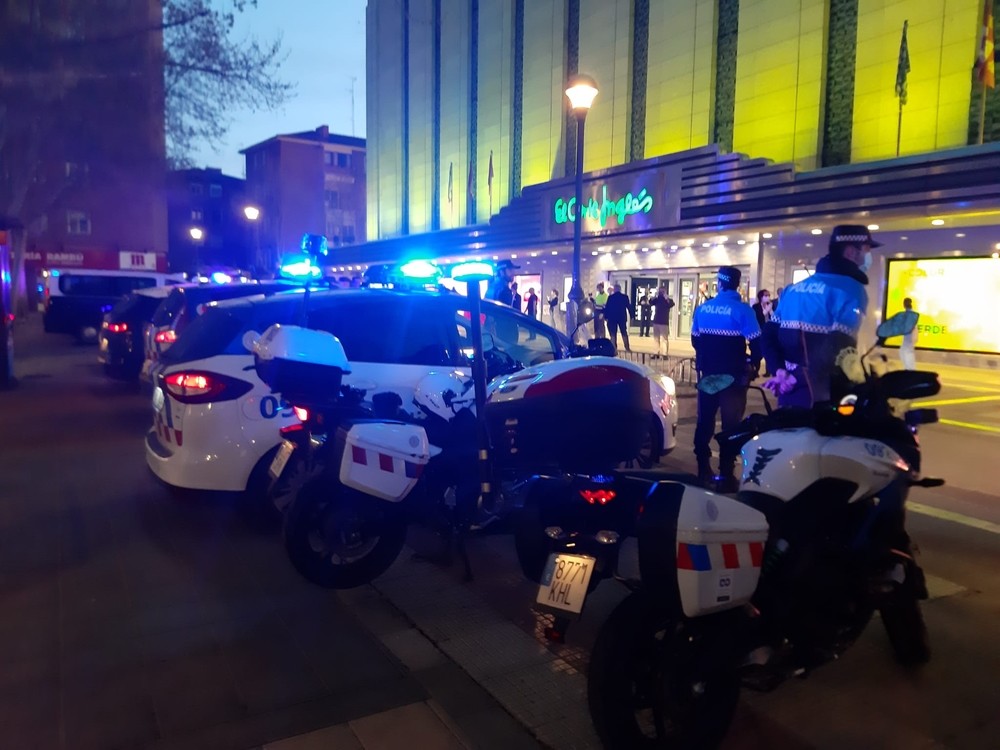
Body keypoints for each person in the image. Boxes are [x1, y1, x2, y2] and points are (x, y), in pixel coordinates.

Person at [762, 224, 878, 408]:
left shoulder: (793, 290)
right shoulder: (851, 290)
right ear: (850, 252)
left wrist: (779, 372)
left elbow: (768, 336)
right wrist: (796, 378)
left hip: (789, 392)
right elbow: (839, 345)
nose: (868, 256)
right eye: (866, 250)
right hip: (826, 391)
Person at [691, 266, 762, 491]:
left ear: (720, 284)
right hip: (733, 378)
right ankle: (726, 473)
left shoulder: (703, 309)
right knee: (731, 426)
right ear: (736, 285)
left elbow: (696, 340)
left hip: (709, 376)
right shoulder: (743, 311)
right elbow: (757, 343)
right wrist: (753, 364)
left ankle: (703, 469)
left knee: (705, 422)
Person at [603, 283, 632, 352]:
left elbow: (607, 308)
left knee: (613, 333)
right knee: (624, 332)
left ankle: (614, 348)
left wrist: (606, 317)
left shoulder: (611, 297)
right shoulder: (625, 297)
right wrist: (632, 316)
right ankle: (627, 347)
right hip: (622, 317)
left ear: (614, 289)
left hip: (612, 317)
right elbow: (629, 307)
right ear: (620, 289)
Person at [648, 285, 675, 358]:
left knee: (664, 339)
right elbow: (651, 302)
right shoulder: (657, 299)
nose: (661, 293)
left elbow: (671, 304)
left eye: (662, 291)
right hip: (656, 321)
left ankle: (664, 354)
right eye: (660, 291)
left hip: (664, 322)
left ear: (665, 292)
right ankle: (656, 353)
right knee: (656, 339)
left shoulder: (668, 300)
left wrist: (666, 298)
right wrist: (654, 296)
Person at [897, 297, 919, 370]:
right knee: (904, 351)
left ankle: (910, 370)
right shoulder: (908, 313)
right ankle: (908, 369)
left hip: (909, 337)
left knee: (907, 352)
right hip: (908, 338)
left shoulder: (909, 313)